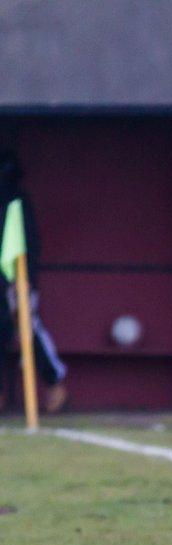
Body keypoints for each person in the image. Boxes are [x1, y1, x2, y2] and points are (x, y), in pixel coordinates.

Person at [0, 150, 68, 413]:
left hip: (17, 280)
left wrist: (22, 280)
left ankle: (55, 385)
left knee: (27, 329)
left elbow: (27, 247)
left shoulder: (16, 203)